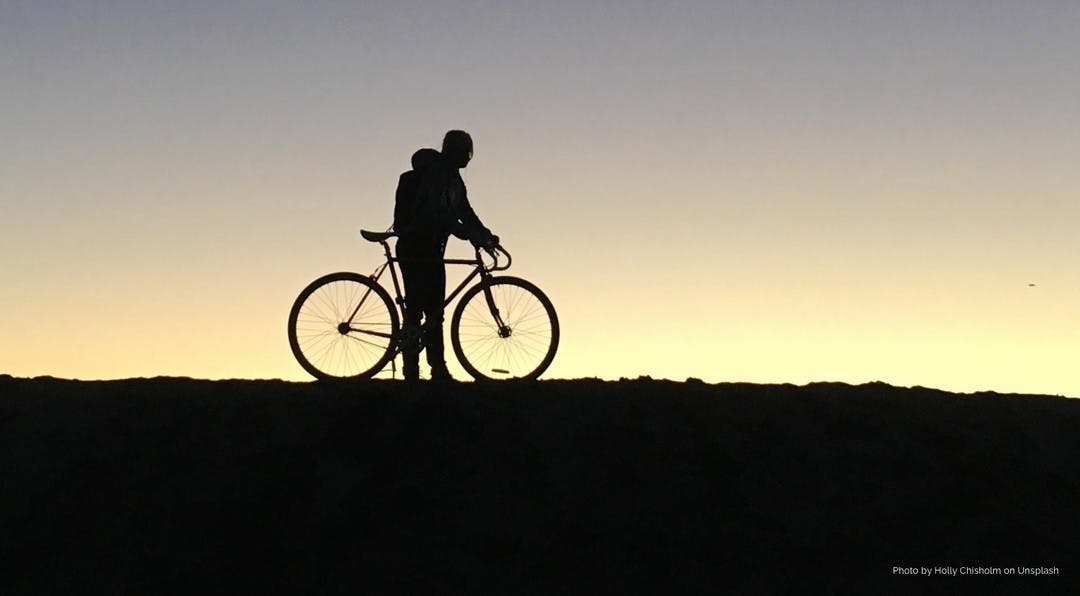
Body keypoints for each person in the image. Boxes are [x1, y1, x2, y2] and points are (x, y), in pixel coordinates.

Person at [393, 130, 499, 381]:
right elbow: (439, 213)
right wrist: (467, 234)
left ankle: (431, 367)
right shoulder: (437, 175)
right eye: (466, 151)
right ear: (456, 150)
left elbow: (465, 211)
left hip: (430, 247)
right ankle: (424, 369)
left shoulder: (453, 179)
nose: (469, 157)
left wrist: (484, 234)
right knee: (421, 307)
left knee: (432, 310)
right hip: (417, 245)